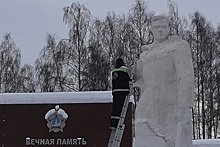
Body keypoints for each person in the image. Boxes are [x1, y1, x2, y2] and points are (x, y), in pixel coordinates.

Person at [134, 15, 194, 147]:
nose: (160, 30)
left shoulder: (178, 46)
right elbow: (136, 79)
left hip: (168, 107)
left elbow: (186, 76)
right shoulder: (146, 54)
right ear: (151, 30)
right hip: (146, 107)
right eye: (156, 27)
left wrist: (183, 106)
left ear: (169, 28)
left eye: (163, 26)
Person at [110, 58, 131, 129]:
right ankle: (117, 123)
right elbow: (131, 77)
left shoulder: (113, 70)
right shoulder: (125, 69)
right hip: (123, 90)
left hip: (115, 91)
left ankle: (113, 123)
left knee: (115, 107)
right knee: (120, 107)